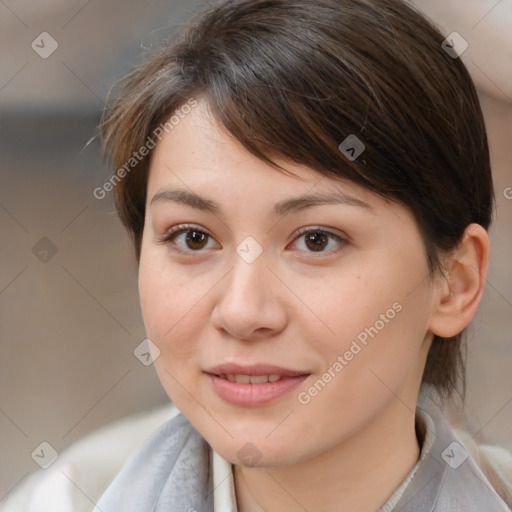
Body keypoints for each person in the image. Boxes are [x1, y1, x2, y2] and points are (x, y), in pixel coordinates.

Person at [94, 0, 512, 510]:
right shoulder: (60, 495)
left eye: (317, 239)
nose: (243, 313)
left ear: (455, 282)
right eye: (193, 238)